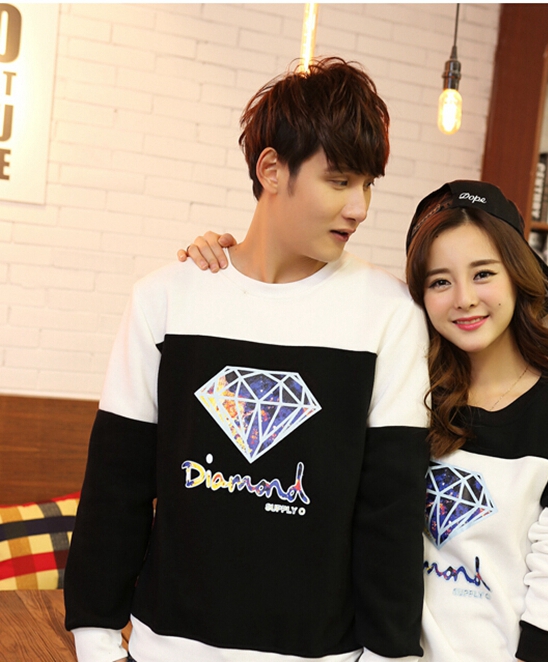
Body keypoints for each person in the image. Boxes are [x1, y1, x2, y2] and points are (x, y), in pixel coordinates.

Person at [64, 57, 431, 662]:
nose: (360, 207)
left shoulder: (389, 314)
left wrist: (388, 653)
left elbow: (390, 513)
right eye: (340, 181)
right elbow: (116, 484)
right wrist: (96, 640)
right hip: (165, 650)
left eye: (368, 185)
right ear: (271, 170)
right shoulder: (166, 298)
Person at [184, 179, 548, 662]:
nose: (464, 298)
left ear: (518, 275)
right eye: (440, 281)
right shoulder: (403, 390)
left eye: (483, 274)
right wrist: (231, 267)